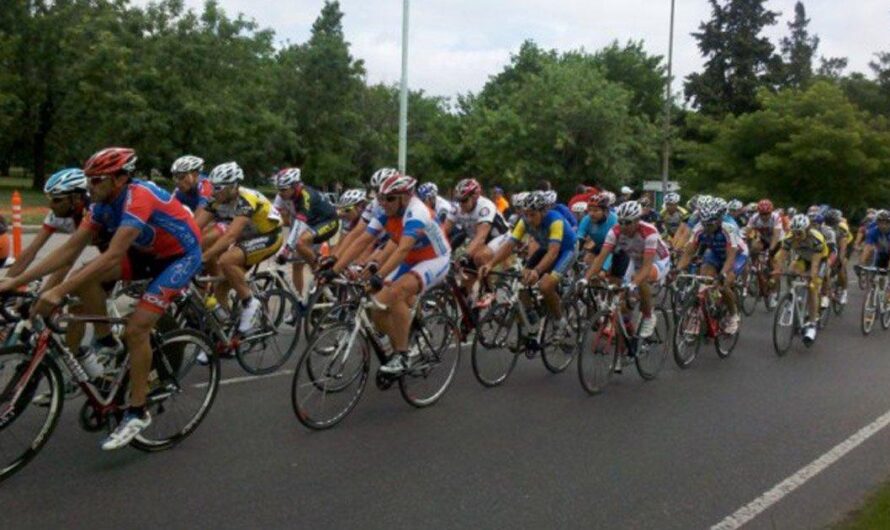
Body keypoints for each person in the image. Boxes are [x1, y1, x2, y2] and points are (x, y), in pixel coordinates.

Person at [0, 147, 202, 449]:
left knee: (137, 328)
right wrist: (13, 283)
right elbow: (67, 252)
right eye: (88, 180)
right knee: (83, 280)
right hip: (146, 255)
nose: (90, 187)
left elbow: (113, 256)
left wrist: (56, 291)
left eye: (97, 181)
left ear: (120, 179)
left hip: (179, 257)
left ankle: (137, 411)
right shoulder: (100, 205)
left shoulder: (138, 197)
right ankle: (107, 341)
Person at [322, 173, 451, 374]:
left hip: (434, 259)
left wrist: (379, 276)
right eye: (381, 198)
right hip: (411, 259)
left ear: (405, 197)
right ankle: (404, 341)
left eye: (390, 198)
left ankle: (402, 355)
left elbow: (402, 249)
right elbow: (363, 240)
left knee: (396, 292)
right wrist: (333, 269)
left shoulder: (417, 212)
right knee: (377, 306)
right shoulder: (387, 211)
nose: (384, 203)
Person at [480, 191, 577, 341]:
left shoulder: (555, 221)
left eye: (533, 215)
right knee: (522, 282)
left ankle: (560, 322)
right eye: (526, 214)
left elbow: (553, 253)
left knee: (545, 286)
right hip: (546, 248)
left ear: (543, 212)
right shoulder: (524, 221)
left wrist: (537, 271)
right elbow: (509, 245)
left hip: (566, 250)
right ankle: (533, 321)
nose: (529, 219)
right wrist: (490, 264)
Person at [202, 162, 283, 333]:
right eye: (212, 187)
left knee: (226, 260)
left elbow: (230, 235)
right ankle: (223, 337)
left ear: (233, 186)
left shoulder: (246, 199)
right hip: (248, 239)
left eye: (219, 188)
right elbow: (194, 226)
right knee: (220, 287)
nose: (214, 191)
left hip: (269, 236)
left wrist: (203, 257)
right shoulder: (216, 199)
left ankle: (250, 302)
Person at [582, 200, 671, 338]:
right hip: (635, 261)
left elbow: (646, 267)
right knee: (622, 302)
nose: (623, 226)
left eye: (628, 222)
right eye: (621, 221)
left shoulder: (649, 232)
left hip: (658, 261)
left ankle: (648, 316)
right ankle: (628, 333)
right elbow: (600, 258)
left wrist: (633, 284)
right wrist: (585, 279)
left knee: (640, 281)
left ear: (637, 220)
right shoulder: (615, 231)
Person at [676, 199, 747, 334]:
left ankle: (733, 315)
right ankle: (705, 309)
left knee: (723, 284)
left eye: (710, 224)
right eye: (704, 223)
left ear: (720, 220)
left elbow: (731, 257)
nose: (706, 227)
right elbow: (688, 253)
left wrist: (723, 274)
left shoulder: (729, 229)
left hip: (737, 255)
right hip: (715, 253)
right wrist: (677, 269)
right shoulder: (699, 229)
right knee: (704, 280)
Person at [272, 167, 339, 299]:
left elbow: (299, 225)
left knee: (300, 243)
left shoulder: (306, 195)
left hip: (327, 222)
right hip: (308, 225)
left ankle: (320, 272)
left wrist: (286, 250)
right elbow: (273, 217)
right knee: (297, 265)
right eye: (278, 189)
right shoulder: (282, 194)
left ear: (295, 186)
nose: (280, 193)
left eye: (284, 189)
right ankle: (299, 302)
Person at [772, 214, 829, 344]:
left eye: (800, 233)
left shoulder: (816, 239)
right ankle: (792, 297)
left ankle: (812, 323)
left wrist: (811, 275)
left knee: (812, 287)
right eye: (795, 232)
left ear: (807, 230)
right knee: (791, 271)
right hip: (803, 258)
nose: (796, 236)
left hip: (819, 261)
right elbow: (781, 256)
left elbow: (814, 265)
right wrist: (777, 269)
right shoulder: (789, 237)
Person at [576, 192, 618, 271]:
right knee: (586, 262)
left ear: (605, 211)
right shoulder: (587, 219)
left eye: (596, 210)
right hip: (600, 245)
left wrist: (604, 268)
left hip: (616, 249)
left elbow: (613, 249)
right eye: (589, 210)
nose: (591, 214)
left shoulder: (614, 221)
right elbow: (579, 239)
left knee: (601, 272)